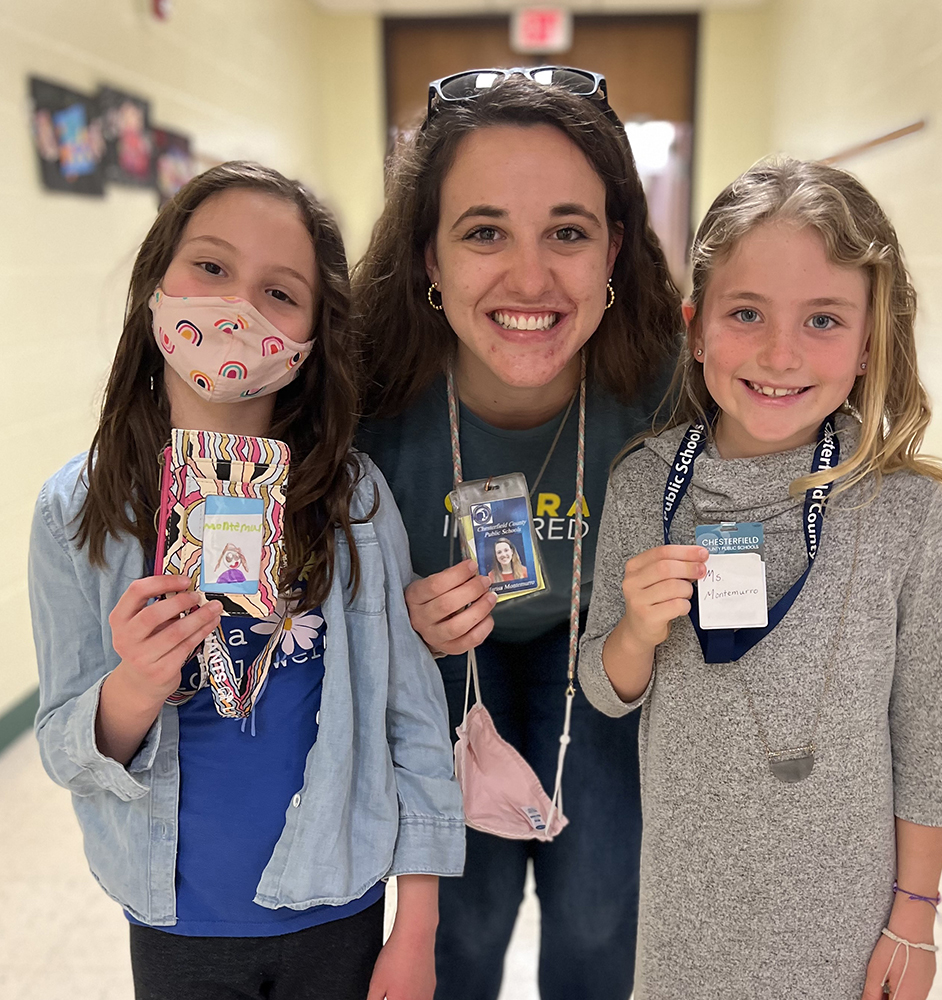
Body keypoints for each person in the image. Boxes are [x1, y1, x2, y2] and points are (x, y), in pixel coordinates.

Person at [28, 161, 464, 1000]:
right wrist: (134, 686)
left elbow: (410, 717)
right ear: (157, 279)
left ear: (310, 337)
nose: (236, 311)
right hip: (175, 912)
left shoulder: (354, 496)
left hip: (337, 897)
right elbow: (64, 746)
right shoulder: (76, 510)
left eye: (280, 292)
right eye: (213, 268)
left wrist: (417, 930)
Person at [579, 158, 942, 1000]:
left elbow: (930, 738)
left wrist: (916, 916)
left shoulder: (906, 513)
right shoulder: (646, 485)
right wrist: (634, 633)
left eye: (823, 320)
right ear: (695, 328)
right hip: (687, 912)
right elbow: (603, 691)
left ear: (870, 342)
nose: (780, 353)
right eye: (746, 313)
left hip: (849, 918)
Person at [354, 69, 682, 1000]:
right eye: (485, 232)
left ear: (615, 247)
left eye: (568, 233)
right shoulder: (366, 389)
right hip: (449, 658)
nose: (530, 279)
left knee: (599, 908)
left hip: (604, 655)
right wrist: (389, 610)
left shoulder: (670, 381)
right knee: (465, 917)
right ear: (429, 255)